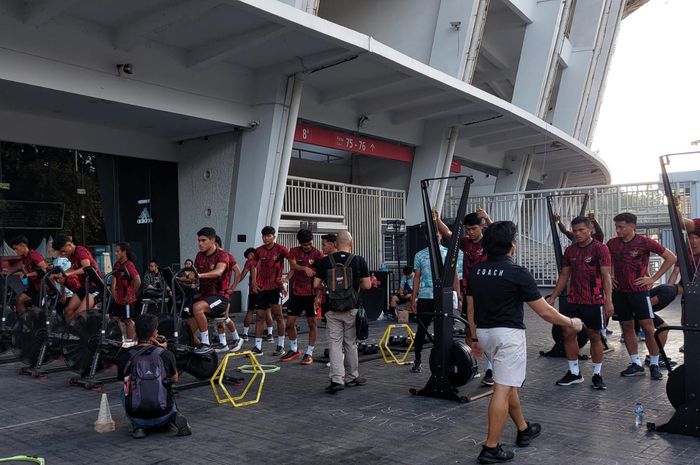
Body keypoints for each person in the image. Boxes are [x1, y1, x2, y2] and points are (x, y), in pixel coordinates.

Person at [466, 221, 583, 463]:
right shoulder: (516, 272)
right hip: (508, 336)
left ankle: (523, 428)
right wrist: (571, 322)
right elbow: (546, 313)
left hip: (486, 334)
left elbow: (470, 308)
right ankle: (490, 448)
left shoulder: (477, 271)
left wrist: (475, 337)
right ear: (512, 245)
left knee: (507, 385)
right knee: (501, 389)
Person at [607, 212, 676, 380]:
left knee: (648, 327)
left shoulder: (644, 242)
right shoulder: (612, 243)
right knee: (628, 327)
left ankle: (653, 363)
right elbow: (605, 262)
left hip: (639, 292)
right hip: (620, 293)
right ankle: (636, 363)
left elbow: (671, 258)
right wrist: (610, 277)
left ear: (633, 226)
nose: (618, 230)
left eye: (621, 227)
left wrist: (652, 278)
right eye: (616, 227)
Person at [547, 216, 613, 389]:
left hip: (594, 300)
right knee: (568, 334)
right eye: (575, 231)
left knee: (594, 336)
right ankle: (574, 373)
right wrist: (553, 296)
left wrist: (608, 301)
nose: (578, 234)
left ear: (590, 229)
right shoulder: (570, 251)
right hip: (573, 300)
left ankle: (597, 375)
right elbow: (564, 275)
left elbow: (606, 276)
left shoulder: (600, 248)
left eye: (581, 230)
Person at [436, 209, 493, 385]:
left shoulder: (490, 242)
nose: (470, 232)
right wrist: (437, 219)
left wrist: (488, 218)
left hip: (487, 292)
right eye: (468, 229)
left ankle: (491, 369)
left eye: (474, 229)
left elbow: (500, 233)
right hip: (469, 292)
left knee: (489, 331)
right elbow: (447, 233)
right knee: (470, 329)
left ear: (481, 227)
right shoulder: (466, 242)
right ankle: (471, 364)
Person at [116, 313, 191, 439]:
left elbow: (122, 379)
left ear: (135, 331)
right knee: (168, 386)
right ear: (155, 333)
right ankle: (173, 416)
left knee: (123, 390)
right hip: (163, 413)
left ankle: (137, 426)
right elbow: (175, 379)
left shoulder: (125, 356)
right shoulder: (165, 354)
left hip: (138, 415)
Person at [314, 230, 371, 394]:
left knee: (335, 344)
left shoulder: (326, 261)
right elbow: (367, 285)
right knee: (351, 343)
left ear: (336, 244)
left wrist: (329, 286)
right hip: (352, 308)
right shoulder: (359, 260)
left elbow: (315, 283)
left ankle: (337, 379)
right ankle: (352, 377)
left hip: (331, 309)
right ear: (351, 243)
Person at [409, 226, 460, 374]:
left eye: (437, 235)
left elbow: (455, 274)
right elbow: (417, 277)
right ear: (427, 237)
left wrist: (458, 294)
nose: (435, 237)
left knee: (445, 330)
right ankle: (417, 359)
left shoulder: (448, 253)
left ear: (441, 236)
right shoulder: (419, 255)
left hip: (443, 297)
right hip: (425, 297)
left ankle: (445, 358)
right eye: (432, 235)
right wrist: (414, 297)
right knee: (421, 329)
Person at [283, 229, 324, 364]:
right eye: (305, 244)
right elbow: (293, 265)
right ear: (300, 243)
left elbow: (320, 274)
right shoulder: (294, 251)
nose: (308, 246)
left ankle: (309, 353)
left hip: (310, 293)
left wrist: (318, 296)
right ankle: (294, 349)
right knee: (289, 324)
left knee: (312, 323)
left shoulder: (318, 253)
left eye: (309, 243)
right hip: (296, 292)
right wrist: (304, 268)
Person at [189, 227, 230, 354]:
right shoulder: (199, 256)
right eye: (198, 241)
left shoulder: (222, 255)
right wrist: (185, 277)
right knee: (187, 331)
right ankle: (202, 349)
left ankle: (206, 343)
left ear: (212, 240)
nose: (200, 243)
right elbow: (192, 273)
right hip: (204, 296)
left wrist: (199, 275)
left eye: (203, 240)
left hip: (220, 298)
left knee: (197, 307)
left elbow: (218, 272)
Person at [251, 226, 289, 356]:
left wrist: (287, 278)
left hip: (275, 288)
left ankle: (280, 346)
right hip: (262, 288)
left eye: (268, 236)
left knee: (278, 316)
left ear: (274, 236)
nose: (265, 238)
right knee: (260, 316)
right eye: (264, 236)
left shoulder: (281, 249)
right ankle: (257, 347)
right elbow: (253, 266)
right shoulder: (258, 251)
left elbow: (293, 262)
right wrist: (254, 282)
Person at [54, 235, 101, 322]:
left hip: (95, 286)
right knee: (68, 311)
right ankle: (70, 333)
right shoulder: (71, 255)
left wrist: (69, 274)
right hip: (84, 287)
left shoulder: (80, 251)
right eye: (61, 252)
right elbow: (74, 267)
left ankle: (85, 331)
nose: (63, 254)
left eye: (64, 251)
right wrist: (62, 274)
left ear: (69, 244)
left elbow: (86, 267)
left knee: (79, 313)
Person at [213, 236, 243, 352]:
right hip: (213, 293)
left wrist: (233, 287)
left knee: (224, 317)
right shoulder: (210, 257)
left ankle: (236, 338)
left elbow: (238, 272)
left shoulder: (227, 256)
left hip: (224, 292)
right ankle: (223, 343)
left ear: (214, 243)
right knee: (218, 318)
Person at [239, 248, 273, 341]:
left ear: (251, 254)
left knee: (250, 311)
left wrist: (235, 284)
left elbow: (243, 274)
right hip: (266, 289)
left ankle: (245, 334)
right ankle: (270, 334)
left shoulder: (250, 262)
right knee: (267, 311)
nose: (248, 259)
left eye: (248, 256)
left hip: (254, 291)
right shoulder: (265, 261)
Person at [110, 242, 141, 341]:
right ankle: (121, 339)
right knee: (115, 318)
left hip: (127, 297)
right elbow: (114, 279)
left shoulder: (129, 265)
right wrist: (113, 291)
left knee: (128, 320)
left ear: (124, 252)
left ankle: (131, 341)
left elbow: (138, 281)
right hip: (118, 297)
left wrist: (130, 294)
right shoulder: (117, 264)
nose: (115, 253)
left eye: (117, 251)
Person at [9, 235, 48, 313]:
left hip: (43, 287)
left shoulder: (33, 255)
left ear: (23, 246)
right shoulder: (24, 258)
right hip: (34, 286)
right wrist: (9, 274)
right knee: (18, 300)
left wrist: (28, 275)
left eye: (15, 248)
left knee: (35, 310)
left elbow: (45, 270)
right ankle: (23, 322)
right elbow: (26, 273)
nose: (15, 251)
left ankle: (35, 322)